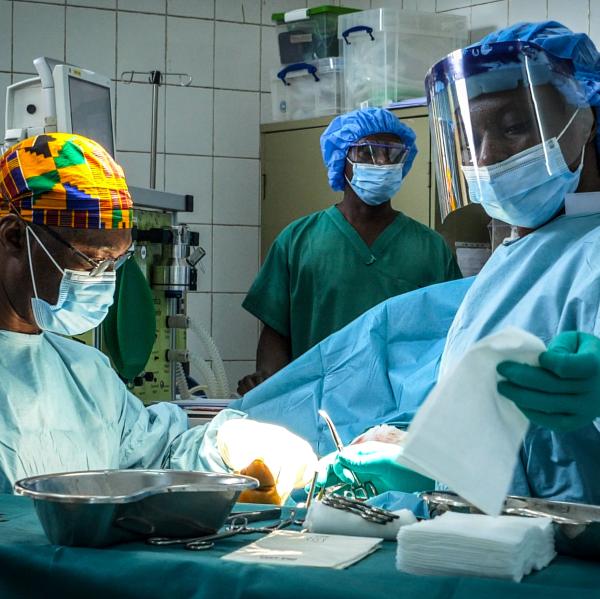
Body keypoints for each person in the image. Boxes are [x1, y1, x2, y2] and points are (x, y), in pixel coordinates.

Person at [232, 22, 600, 505]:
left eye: (514, 127)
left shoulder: (586, 250)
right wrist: (423, 456)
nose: (486, 158)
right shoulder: (520, 254)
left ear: (587, 117)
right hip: (494, 536)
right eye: (471, 138)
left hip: (569, 549)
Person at [0, 132, 316, 498]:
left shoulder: (84, 372)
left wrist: (227, 446)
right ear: (12, 238)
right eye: (92, 260)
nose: (104, 281)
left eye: (115, 262)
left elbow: (154, 457)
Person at [238, 108, 462, 394]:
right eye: (367, 152)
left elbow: (450, 335)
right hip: (314, 406)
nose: (382, 162)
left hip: (399, 410)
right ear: (340, 159)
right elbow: (276, 332)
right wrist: (271, 390)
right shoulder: (297, 241)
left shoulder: (430, 248)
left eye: (392, 153)